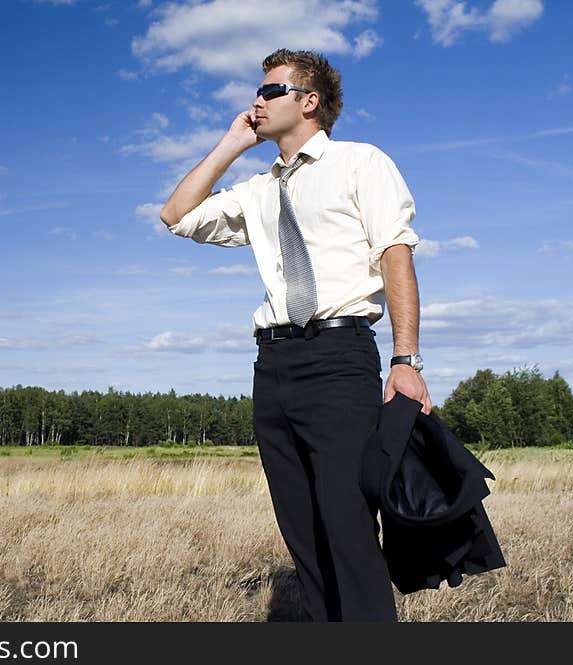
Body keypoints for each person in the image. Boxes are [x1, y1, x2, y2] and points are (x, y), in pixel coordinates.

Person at [159, 48, 432, 622]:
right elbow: (177, 215)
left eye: (271, 91)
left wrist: (406, 359)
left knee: (347, 520)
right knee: (302, 529)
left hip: (337, 354)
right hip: (273, 365)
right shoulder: (258, 191)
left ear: (309, 103)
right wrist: (233, 144)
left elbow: (395, 256)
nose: (257, 100)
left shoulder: (360, 162)